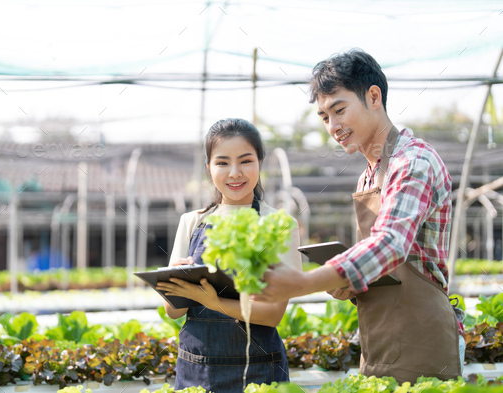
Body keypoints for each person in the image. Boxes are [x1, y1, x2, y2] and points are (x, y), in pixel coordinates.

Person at [254, 49, 464, 383]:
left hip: (424, 341)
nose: (333, 126)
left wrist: (308, 281)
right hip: (378, 342)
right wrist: (345, 286)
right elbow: (379, 267)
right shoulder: (367, 176)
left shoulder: (413, 162)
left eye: (339, 110)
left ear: (374, 96)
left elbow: (391, 245)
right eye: (324, 117)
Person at [156, 118, 302, 393]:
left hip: (260, 368)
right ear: (209, 168)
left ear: (260, 162)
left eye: (246, 161)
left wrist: (213, 302)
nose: (235, 173)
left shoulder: (281, 224)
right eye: (222, 163)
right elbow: (174, 311)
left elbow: (272, 315)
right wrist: (175, 284)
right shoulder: (192, 221)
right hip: (196, 368)